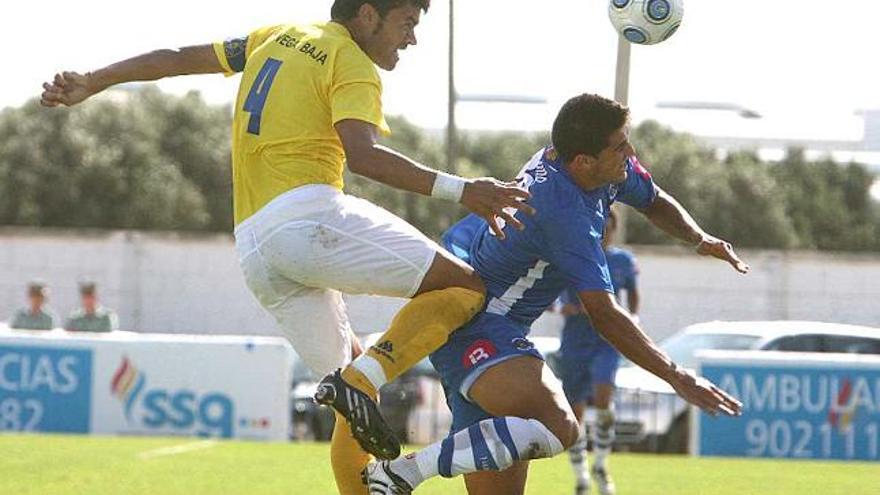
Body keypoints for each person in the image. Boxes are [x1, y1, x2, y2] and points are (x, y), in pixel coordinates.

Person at [40, 1, 533, 492]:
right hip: (306, 218)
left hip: (255, 249)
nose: (411, 39)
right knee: (465, 286)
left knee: (351, 396)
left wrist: (94, 79)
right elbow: (364, 156)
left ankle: (358, 396)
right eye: (406, 23)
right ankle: (362, 379)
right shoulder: (350, 59)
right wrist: (463, 189)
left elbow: (174, 57)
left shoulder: (276, 34)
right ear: (367, 15)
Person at [362, 93, 748, 494]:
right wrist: (677, 376)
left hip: (488, 320)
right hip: (474, 323)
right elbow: (604, 313)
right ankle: (399, 473)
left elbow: (652, 199)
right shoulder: (564, 212)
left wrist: (699, 239)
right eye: (620, 146)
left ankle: (398, 474)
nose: (629, 152)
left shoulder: (588, 166)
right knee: (558, 425)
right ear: (583, 162)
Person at [556, 209, 637, 495]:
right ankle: (581, 477)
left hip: (607, 338)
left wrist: (633, 318)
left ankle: (601, 464)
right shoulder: (572, 255)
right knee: (574, 411)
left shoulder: (622, 261)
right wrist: (559, 308)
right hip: (575, 341)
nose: (604, 234)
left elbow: (633, 293)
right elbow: (547, 292)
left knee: (603, 396)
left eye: (608, 229)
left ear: (613, 231)